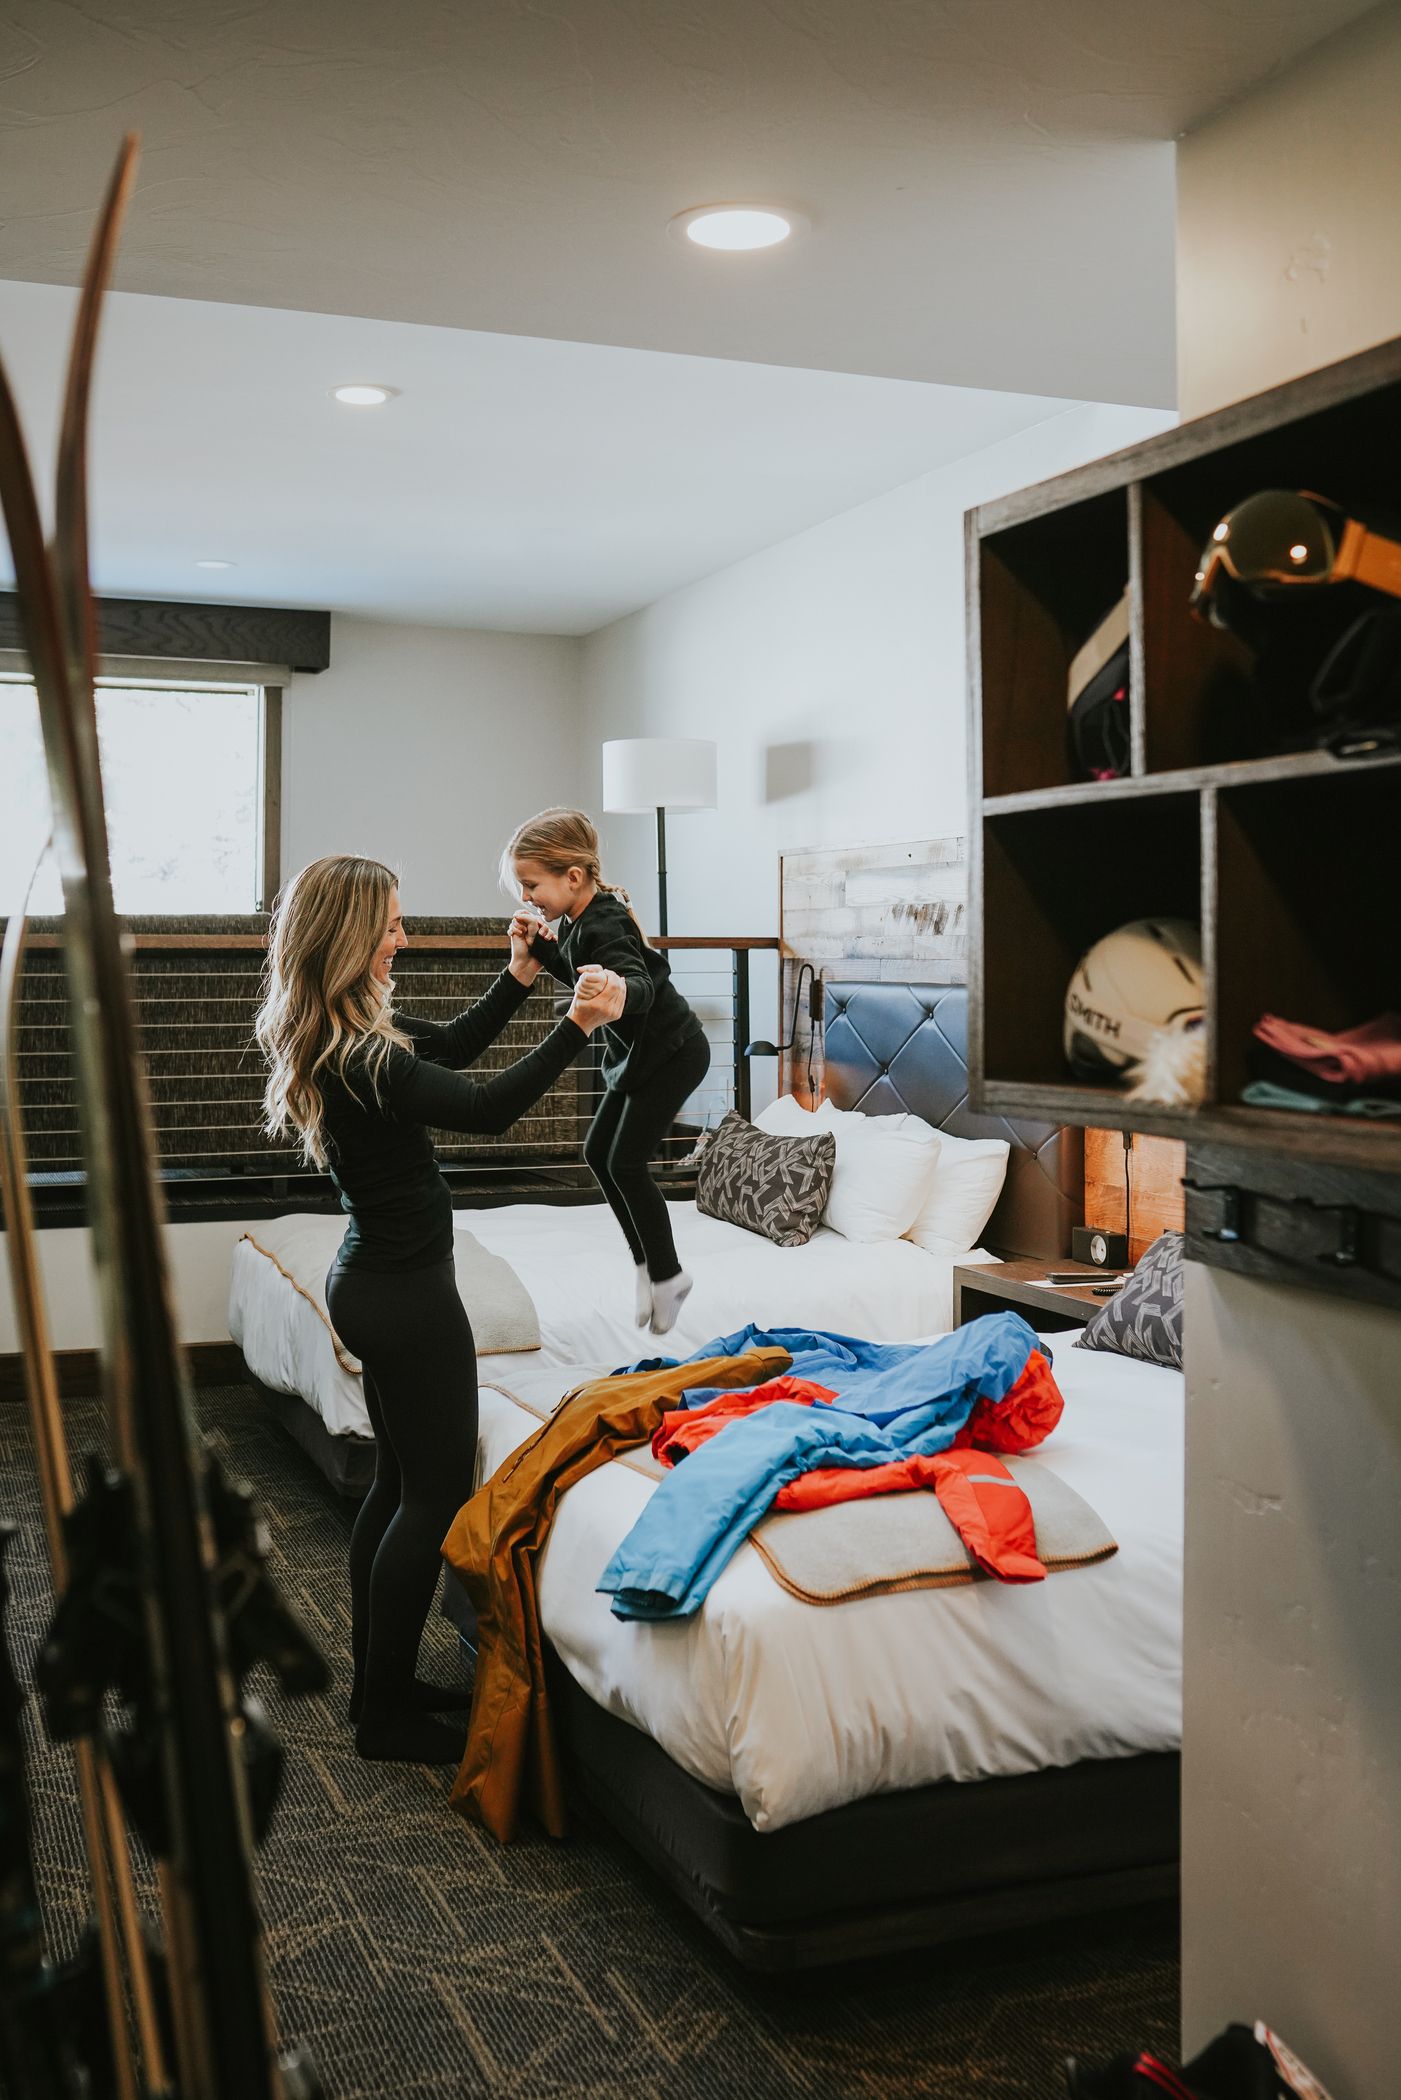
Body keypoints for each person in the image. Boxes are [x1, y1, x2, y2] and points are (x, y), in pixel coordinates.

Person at [255, 853, 623, 1764]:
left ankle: (379, 1685)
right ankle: (383, 1716)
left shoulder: (345, 1031)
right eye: (389, 927)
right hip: (406, 1295)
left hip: (376, 1282)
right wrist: (577, 1024)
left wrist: (519, 979)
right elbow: (487, 1106)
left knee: (396, 1486)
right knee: (433, 1494)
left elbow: (453, 1050)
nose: (402, 940)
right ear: (349, 937)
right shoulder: (359, 1051)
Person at [501, 808, 710, 1336]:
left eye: (531, 885)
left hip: (673, 1052)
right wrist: (543, 948)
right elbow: (580, 968)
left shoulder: (608, 921)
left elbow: (636, 981)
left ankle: (669, 1278)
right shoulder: (578, 920)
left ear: (572, 877)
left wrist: (619, 990)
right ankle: (648, 1267)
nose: (527, 897)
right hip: (638, 1056)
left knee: (626, 1163)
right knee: (599, 1154)